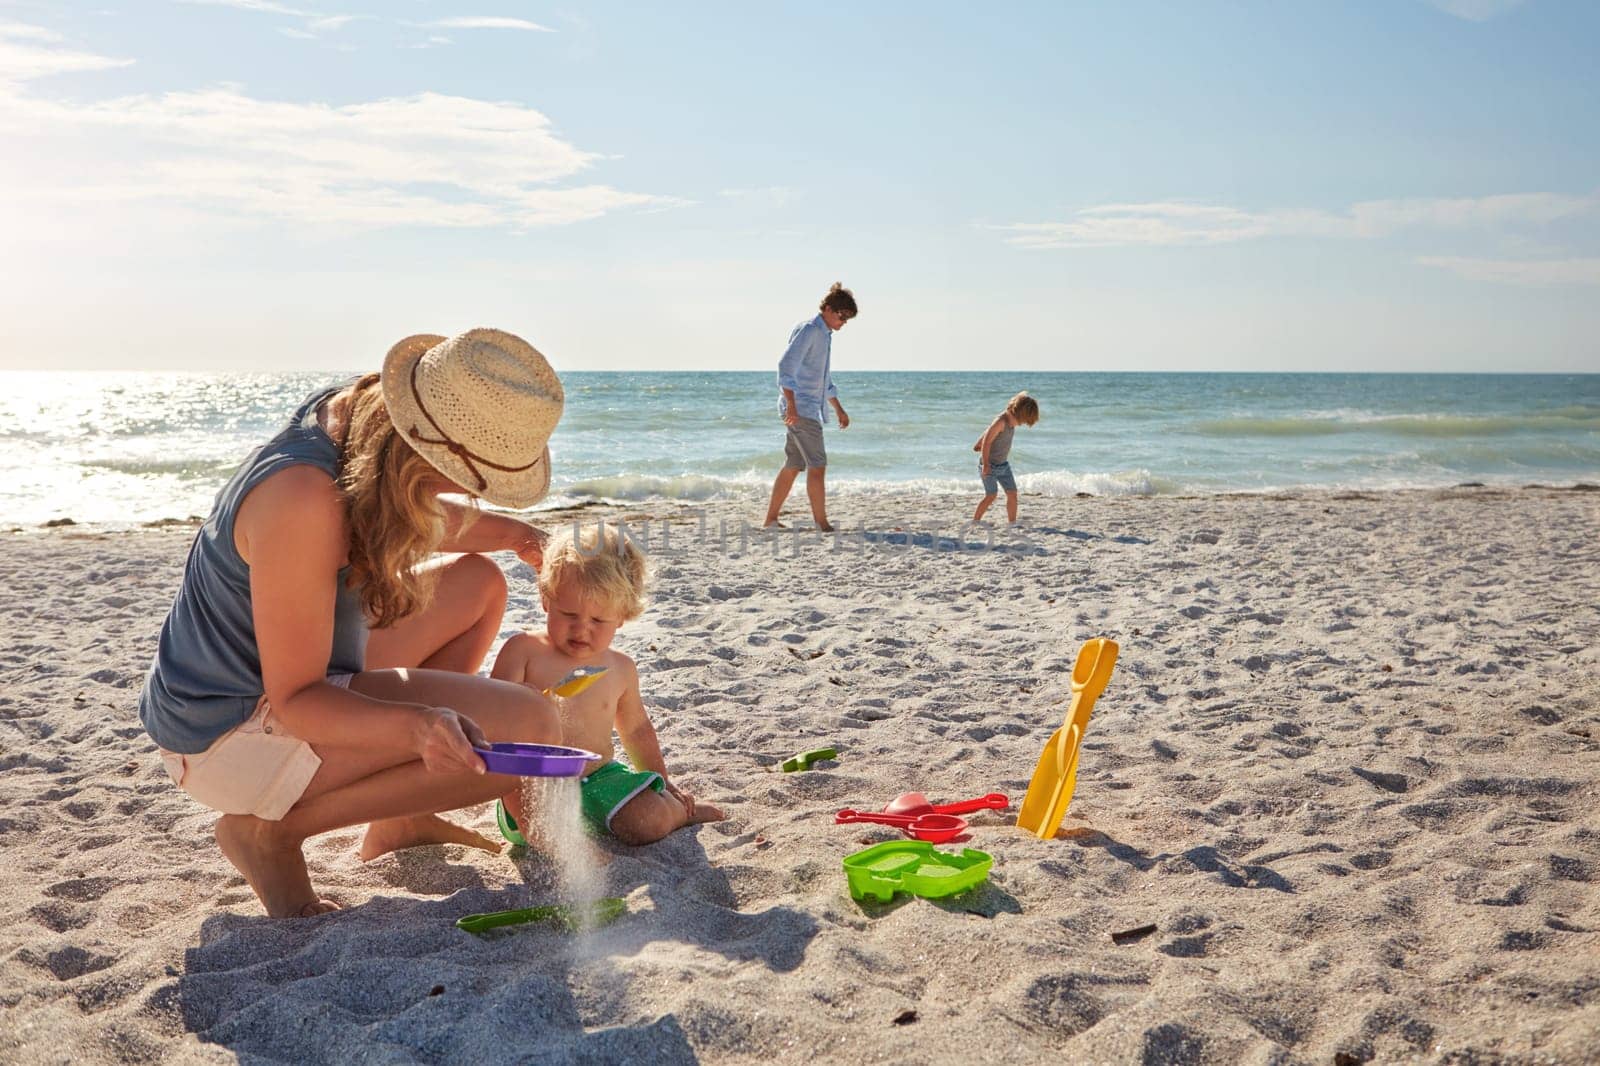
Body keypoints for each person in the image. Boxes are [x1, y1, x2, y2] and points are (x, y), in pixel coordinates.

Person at [137, 328, 567, 919]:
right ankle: (272, 834)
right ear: (429, 451)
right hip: (229, 730)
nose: (469, 491)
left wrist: (521, 537)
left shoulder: (358, 420)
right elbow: (296, 700)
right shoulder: (303, 501)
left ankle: (402, 818)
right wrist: (418, 730)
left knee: (477, 584)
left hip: (283, 670)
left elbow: (410, 503)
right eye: (471, 478)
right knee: (532, 731)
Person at [491, 524, 726, 845]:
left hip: (598, 779)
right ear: (546, 599)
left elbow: (636, 730)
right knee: (531, 815)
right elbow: (491, 723)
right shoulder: (523, 652)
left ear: (622, 616)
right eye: (568, 613)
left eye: (598, 621)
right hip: (534, 778)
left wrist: (663, 781)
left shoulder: (619, 668)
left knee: (648, 821)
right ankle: (553, 844)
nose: (581, 629)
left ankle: (679, 811)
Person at [762, 282, 857, 532]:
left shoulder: (823, 335)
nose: (844, 322)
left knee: (793, 464)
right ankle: (821, 523)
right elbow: (786, 367)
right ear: (828, 308)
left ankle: (770, 519)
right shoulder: (810, 331)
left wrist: (838, 408)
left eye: (848, 318)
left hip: (805, 407)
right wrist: (791, 406)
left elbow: (822, 380)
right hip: (800, 409)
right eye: (842, 315)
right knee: (818, 464)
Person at [972, 391, 1041, 524]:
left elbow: (987, 434)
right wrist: (985, 464)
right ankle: (975, 521)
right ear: (1017, 413)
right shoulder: (1001, 421)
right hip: (989, 466)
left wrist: (978, 443)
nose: (1020, 424)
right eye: (1021, 421)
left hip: (1003, 465)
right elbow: (987, 440)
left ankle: (1012, 523)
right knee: (991, 495)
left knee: (1012, 494)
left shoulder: (1011, 421)